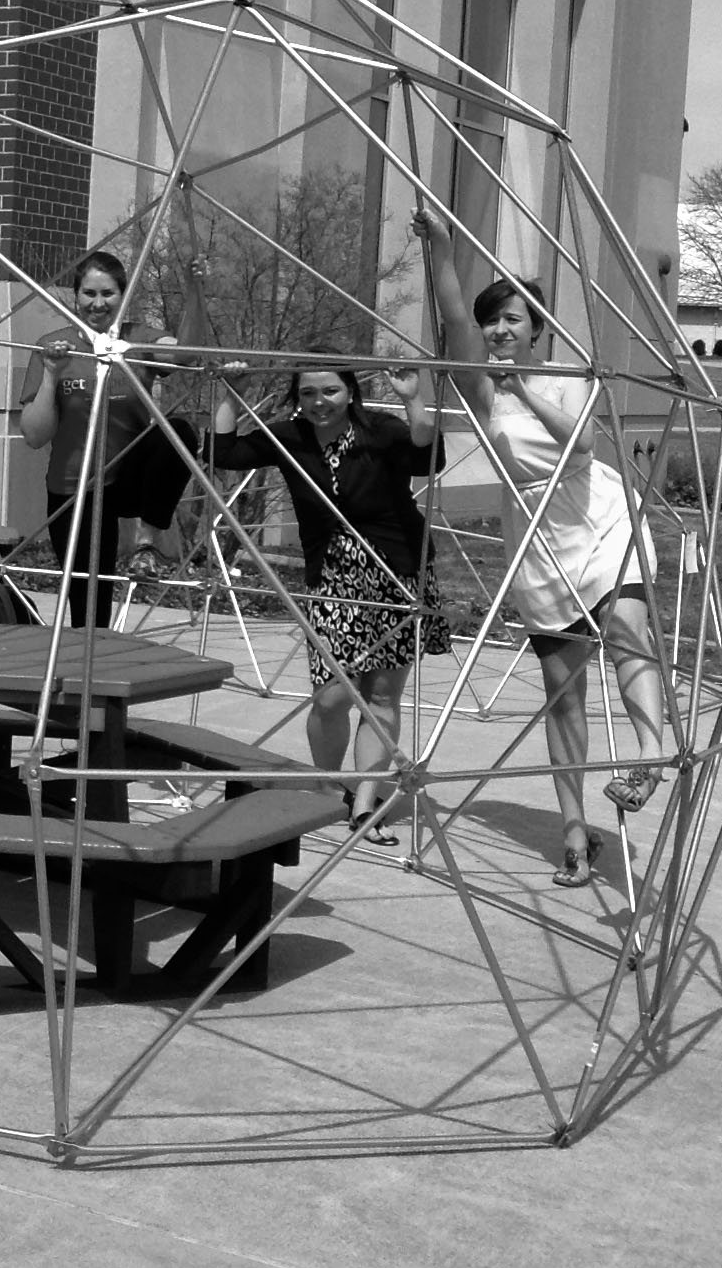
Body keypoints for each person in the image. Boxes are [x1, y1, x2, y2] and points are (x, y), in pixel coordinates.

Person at [414, 204, 664, 888]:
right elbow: (453, 320)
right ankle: (575, 831)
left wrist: (519, 382)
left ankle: (649, 751)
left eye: (512, 319)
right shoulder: (480, 392)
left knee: (625, 627)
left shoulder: (567, 375)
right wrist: (441, 247)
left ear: (536, 329)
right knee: (562, 694)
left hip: (600, 520)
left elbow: (579, 441)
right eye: (494, 319)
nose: (498, 329)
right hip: (540, 545)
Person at [210, 366, 451, 841]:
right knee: (331, 696)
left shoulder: (380, 429)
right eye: (308, 393)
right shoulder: (291, 435)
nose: (320, 401)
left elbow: (427, 456)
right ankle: (326, 788)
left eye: (331, 391)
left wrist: (412, 398)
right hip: (333, 577)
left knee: (381, 695)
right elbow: (224, 454)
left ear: (350, 391)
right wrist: (229, 393)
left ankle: (364, 805)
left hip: (395, 571)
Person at [17, 251, 192, 626]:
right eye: (89, 293)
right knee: (87, 604)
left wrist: (195, 291)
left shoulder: (138, 339)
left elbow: (186, 355)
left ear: (123, 295)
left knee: (178, 431)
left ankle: (147, 542)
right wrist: (51, 373)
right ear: (76, 295)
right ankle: (86, 675)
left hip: (125, 477)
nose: (98, 304)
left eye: (108, 293)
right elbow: (34, 435)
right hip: (73, 485)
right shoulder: (54, 345)